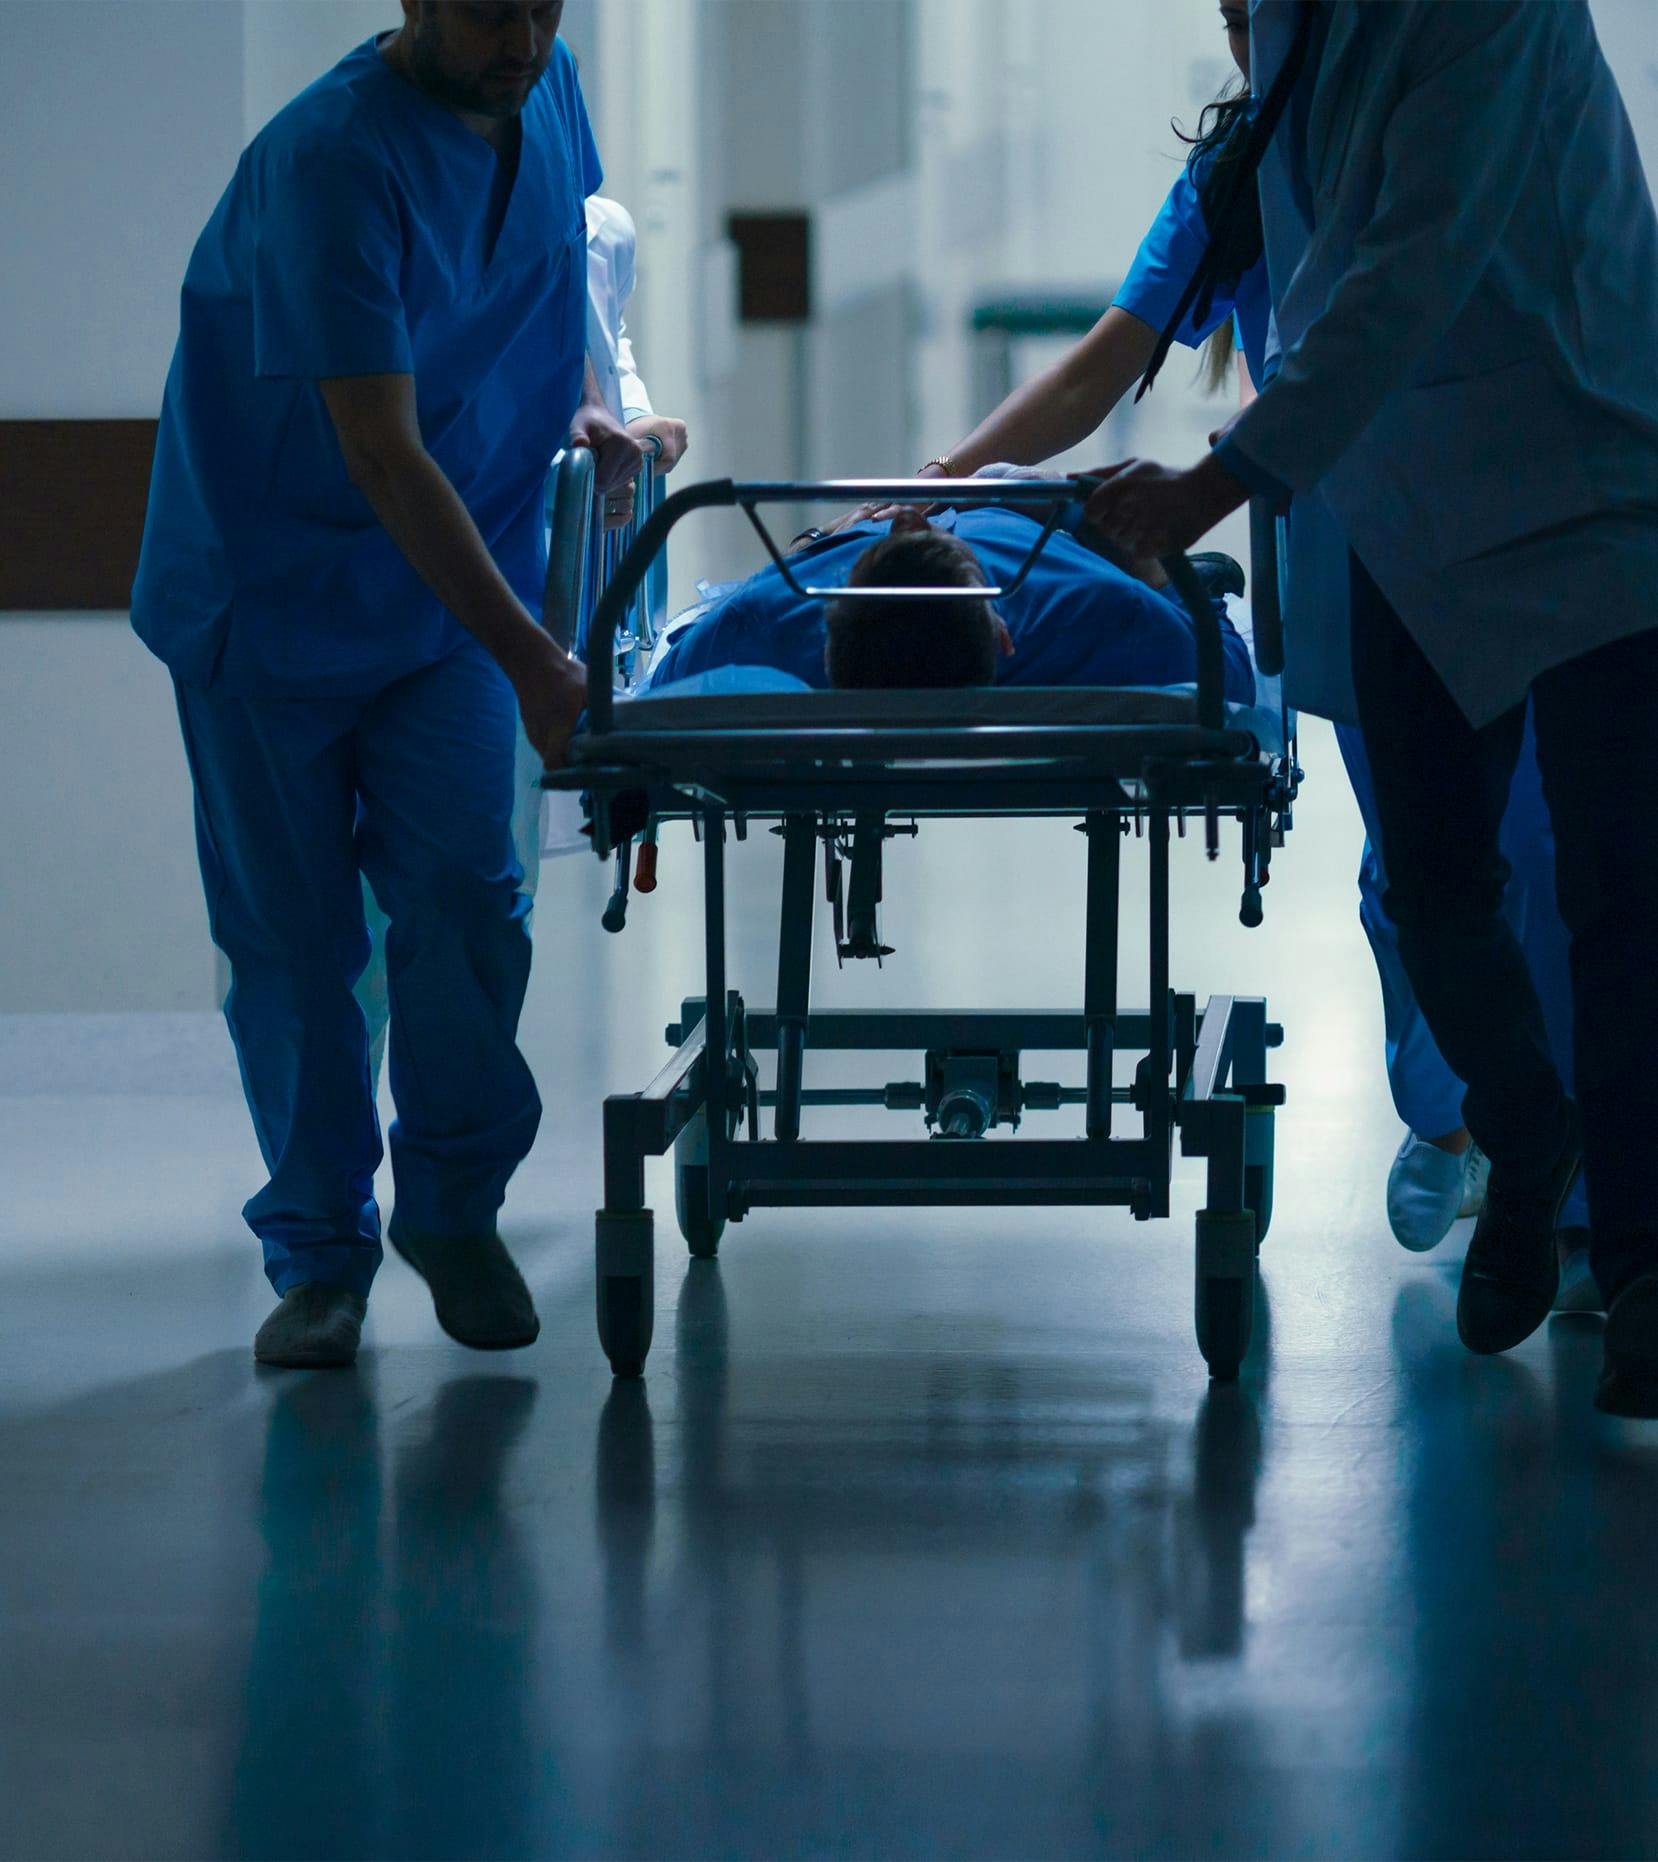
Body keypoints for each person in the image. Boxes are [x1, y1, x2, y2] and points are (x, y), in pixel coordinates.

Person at [895, 3, 1594, 1276]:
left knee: (1547, 850)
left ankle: (1569, 1180)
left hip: (1516, 513)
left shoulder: (1444, 82)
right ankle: (1457, 1118)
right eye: (1228, 10)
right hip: (1352, 540)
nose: (1248, 29)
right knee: (1418, 872)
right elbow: (1104, 364)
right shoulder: (1235, 169)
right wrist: (954, 472)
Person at [1081, 0, 1658, 1416]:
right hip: (1403, 502)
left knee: (1620, 899)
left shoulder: (1498, 13)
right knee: (1432, 896)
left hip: (1588, 475)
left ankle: (1643, 1275)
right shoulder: (1294, 22)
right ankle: (1528, 1142)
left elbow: (1406, 264)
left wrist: (1215, 483)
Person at [131, 0, 644, 1371]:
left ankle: (454, 1209)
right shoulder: (331, 166)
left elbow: (557, 269)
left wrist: (589, 394)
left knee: (472, 896)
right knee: (299, 948)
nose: (522, 37)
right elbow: (379, 449)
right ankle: (317, 1253)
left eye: (544, 2)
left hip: (443, 601)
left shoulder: (546, 89)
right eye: (489, 7)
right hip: (272, 598)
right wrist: (537, 653)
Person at [356, 187, 692, 1085]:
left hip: (513, 598)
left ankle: (448, 1196)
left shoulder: (589, 223)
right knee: (337, 931)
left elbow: (598, 344)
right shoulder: (364, 214)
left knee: (474, 896)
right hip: (379, 590)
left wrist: (631, 425)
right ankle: (333, 1195)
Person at [643, 500, 1256, 703]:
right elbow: (1229, 677)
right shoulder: (1107, 609)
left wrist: (816, 545)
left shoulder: (765, 615)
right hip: (1074, 538)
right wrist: (1156, 575)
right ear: (1004, 637)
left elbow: (657, 693)